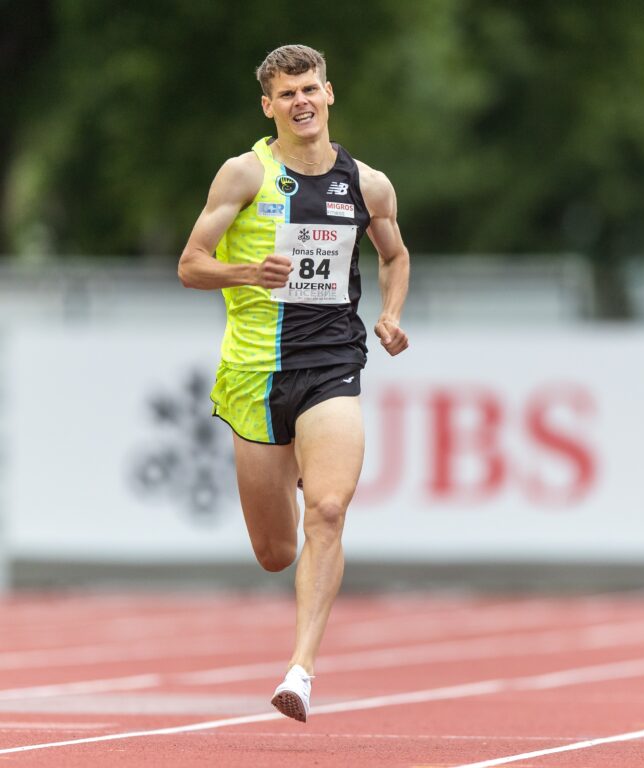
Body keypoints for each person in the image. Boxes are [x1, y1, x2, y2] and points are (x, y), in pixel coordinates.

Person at [177, 44, 411, 722]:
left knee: (331, 510)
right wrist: (246, 272)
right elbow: (191, 265)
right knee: (276, 552)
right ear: (269, 106)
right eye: (286, 94)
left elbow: (394, 256)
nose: (300, 101)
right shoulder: (244, 175)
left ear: (329, 94)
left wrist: (391, 315)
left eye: (310, 88)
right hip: (253, 373)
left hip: (332, 364)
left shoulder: (369, 185)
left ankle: (300, 670)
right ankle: (293, 475)